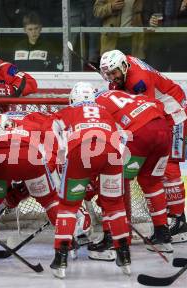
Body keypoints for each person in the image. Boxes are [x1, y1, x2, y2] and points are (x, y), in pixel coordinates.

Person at [100, 50, 187, 244]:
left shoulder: (139, 80)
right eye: (109, 74)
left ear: (123, 66)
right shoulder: (125, 65)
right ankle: (171, 217)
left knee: (169, 166)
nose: (112, 77)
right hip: (162, 113)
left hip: (175, 112)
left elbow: (147, 108)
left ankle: (178, 218)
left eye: (114, 73)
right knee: (156, 173)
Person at [49, 83, 131, 279]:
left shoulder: (69, 110)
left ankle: (60, 258)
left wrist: (61, 154)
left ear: (73, 98)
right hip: (112, 153)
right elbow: (123, 136)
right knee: (115, 205)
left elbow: (53, 132)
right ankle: (124, 255)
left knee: (68, 206)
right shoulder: (106, 111)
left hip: (81, 150)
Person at [90, 83, 173, 255]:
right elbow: (161, 107)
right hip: (164, 131)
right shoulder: (132, 96)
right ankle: (162, 233)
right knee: (152, 182)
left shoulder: (95, 104)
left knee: (112, 183)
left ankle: (113, 236)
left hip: (140, 133)